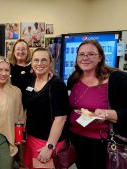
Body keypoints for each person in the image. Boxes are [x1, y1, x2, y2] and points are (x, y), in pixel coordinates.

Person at [67, 40, 127, 169]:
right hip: (76, 141)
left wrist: (107, 114)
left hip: (103, 144)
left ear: (100, 57)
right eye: (81, 54)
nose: (85, 58)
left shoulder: (118, 79)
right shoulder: (74, 79)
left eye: (90, 54)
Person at [22, 48, 69, 169]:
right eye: (36, 60)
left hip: (48, 142)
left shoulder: (57, 85)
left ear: (50, 63)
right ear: (31, 63)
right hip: (31, 138)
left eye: (44, 60)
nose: (39, 63)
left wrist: (49, 147)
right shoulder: (31, 81)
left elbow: (61, 118)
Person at [8, 39, 32, 169]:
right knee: (11, 137)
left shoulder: (33, 67)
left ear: (27, 51)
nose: (21, 51)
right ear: (14, 51)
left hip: (28, 110)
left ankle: (23, 163)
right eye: (18, 49)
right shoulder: (8, 67)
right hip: (11, 109)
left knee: (23, 138)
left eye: (23, 49)